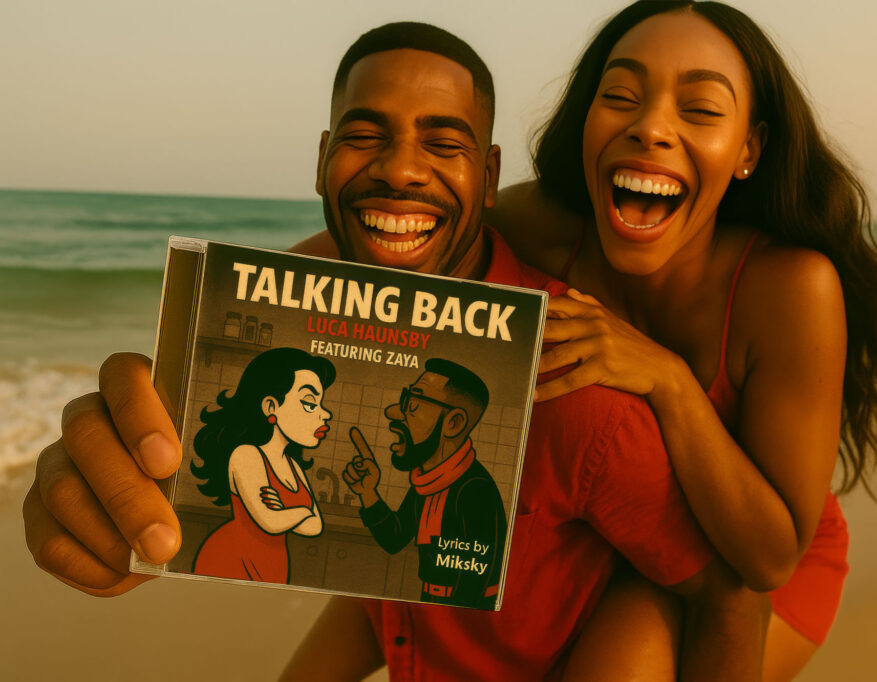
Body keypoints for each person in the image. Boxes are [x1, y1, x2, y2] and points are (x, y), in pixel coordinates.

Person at [22, 21, 770, 681]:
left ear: (490, 178)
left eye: (443, 145)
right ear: (322, 161)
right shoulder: (307, 336)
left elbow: (732, 596)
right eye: (363, 136)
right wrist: (115, 480)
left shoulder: (573, 385)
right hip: (400, 626)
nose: (401, 170)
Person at [482, 1, 877, 680]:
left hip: (760, 560)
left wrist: (666, 380)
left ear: (748, 150)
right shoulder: (539, 228)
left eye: (698, 109)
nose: (650, 127)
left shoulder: (791, 287)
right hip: (613, 532)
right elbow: (364, 258)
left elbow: (769, 557)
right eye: (620, 96)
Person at [344, 359, 506, 610]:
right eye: (405, 398)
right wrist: (368, 492)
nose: (394, 412)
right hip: (430, 601)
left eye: (413, 404)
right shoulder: (428, 482)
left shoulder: (475, 489)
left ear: (453, 423)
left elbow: (476, 577)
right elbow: (395, 539)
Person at [189, 347, 332, 583]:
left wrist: (286, 512)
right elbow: (270, 522)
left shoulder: (293, 465)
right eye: (310, 403)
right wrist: (301, 512)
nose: (325, 414)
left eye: (320, 403)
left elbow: (315, 526)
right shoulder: (246, 455)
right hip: (231, 561)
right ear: (270, 407)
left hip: (272, 564)